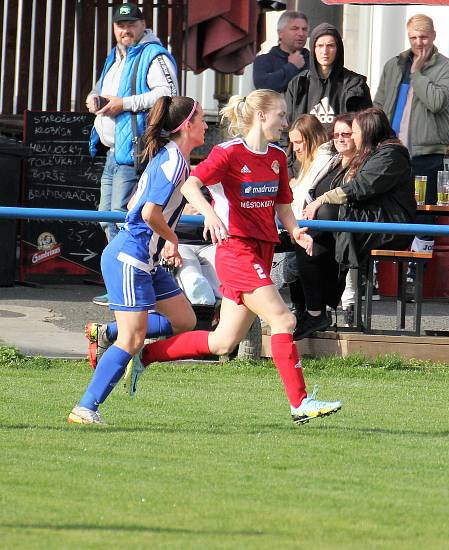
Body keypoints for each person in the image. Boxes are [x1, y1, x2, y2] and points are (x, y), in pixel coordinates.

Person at [128, 90, 342, 425]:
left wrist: (296, 231)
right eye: (281, 115)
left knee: (222, 341)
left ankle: (147, 354)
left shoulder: (275, 157)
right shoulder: (228, 153)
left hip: (261, 249)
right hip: (236, 251)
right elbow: (189, 185)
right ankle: (300, 404)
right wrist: (210, 216)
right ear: (260, 116)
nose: (285, 123)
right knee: (284, 320)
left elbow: (283, 204)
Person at [68, 96, 206, 425]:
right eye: (200, 118)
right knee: (133, 338)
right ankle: (85, 408)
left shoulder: (174, 159)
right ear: (187, 125)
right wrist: (171, 239)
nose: (205, 125)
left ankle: (105, 333)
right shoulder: (172, 162)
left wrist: (167, 233)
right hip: (130, 256)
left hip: (146, 259)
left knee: (184, 320)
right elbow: (147, 212)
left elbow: (141, 204)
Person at [86, 2, 178, 306]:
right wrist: (94, 98)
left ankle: (131, 280)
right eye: (120, 25)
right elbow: (104, 90)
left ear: (143, 25)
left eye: (131, 24)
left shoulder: (154, 54)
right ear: (114, 27)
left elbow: (167, 93)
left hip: (135, 151)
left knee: (124, 219)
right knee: (107, 218)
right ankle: (122, 279)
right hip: (115, 151)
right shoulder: (116, 55)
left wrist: (123, 104)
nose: (125, 30)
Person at [300, 108, 416, 339]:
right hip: (372, 220)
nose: (351, 137)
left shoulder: (391, 154)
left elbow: (361, 187)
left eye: (354, 132)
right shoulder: (376, 152)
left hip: (390, 225)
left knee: (320, 226)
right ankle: (313, 309)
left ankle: (315, 311)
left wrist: (321, 200)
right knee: (309, 240)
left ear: (369, 131)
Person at [373, 14, 449, 292]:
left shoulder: (447, 66)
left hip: (426, 152)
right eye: (413, 38)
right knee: (382, 209)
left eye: (423, 37)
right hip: (390, 150)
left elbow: (436, 102)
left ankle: (416, 273)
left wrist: (418, 74)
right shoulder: (394, 64)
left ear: (434, 35)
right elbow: (379, 103)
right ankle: (377, 273)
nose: (419, 43)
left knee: (424, 213)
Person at [292, 113, 357, 336]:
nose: (340, 138)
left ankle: (314, 314)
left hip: (343, 229)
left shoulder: (354, 162)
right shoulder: (332, 161)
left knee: (306, 246)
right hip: (319, 226)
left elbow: (352, 194)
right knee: (297, 243)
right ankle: (306, 311)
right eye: (336, 134)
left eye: (346, 134)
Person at [284, 115, 336, 314]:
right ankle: (302, 309)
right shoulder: (311, 161)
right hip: (302, 224)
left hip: (313, 226)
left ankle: (308, 311)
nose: (295, 148)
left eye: (299, 142)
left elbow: (303, 197)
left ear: (313, 138)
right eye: (292, 143)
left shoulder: (322, 160)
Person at [284, 22, 372, 132]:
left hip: (341, 147)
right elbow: (286, 126)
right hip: (305, 148)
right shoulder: (298, 83)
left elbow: (367, 127)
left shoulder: (355, 84)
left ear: (338, 49)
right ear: (313, 49)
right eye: (320, 46)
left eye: (330, 46)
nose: (324, 51)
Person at [252, 11, 309, 93]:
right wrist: (292, 67)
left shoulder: (313, 60)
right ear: (280, 33)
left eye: (304, 29)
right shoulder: (263, 60)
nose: (301, 33)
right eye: (294, 28)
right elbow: (263, 88)